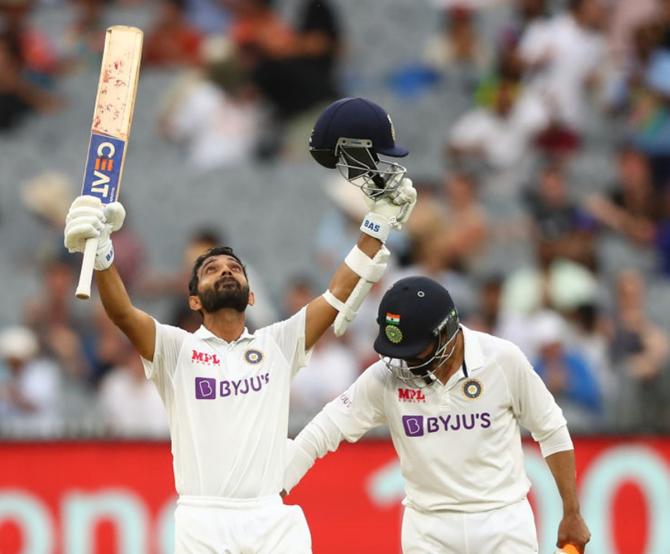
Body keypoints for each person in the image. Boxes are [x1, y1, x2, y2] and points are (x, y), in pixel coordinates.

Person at [63, 96, 417, 553]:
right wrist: (103, 253)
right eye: (211, 270)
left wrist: (379, 221)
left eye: (233, 267)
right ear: (194, 299)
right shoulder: (177, 351)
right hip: (202, 521)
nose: (225, 271)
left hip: (272, 519)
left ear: (251, 294)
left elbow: (337, 292)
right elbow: (124, 314)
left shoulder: (279, 343)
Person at [284, 276, 591, 553]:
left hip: (502, 521)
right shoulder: (386, 376)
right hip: (429, 529)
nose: (404, 363)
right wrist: (278, 484)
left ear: (445, 332)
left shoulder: (502, 359)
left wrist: (572, 511)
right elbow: (325, 429)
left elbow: (551, 430)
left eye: (413, 350)